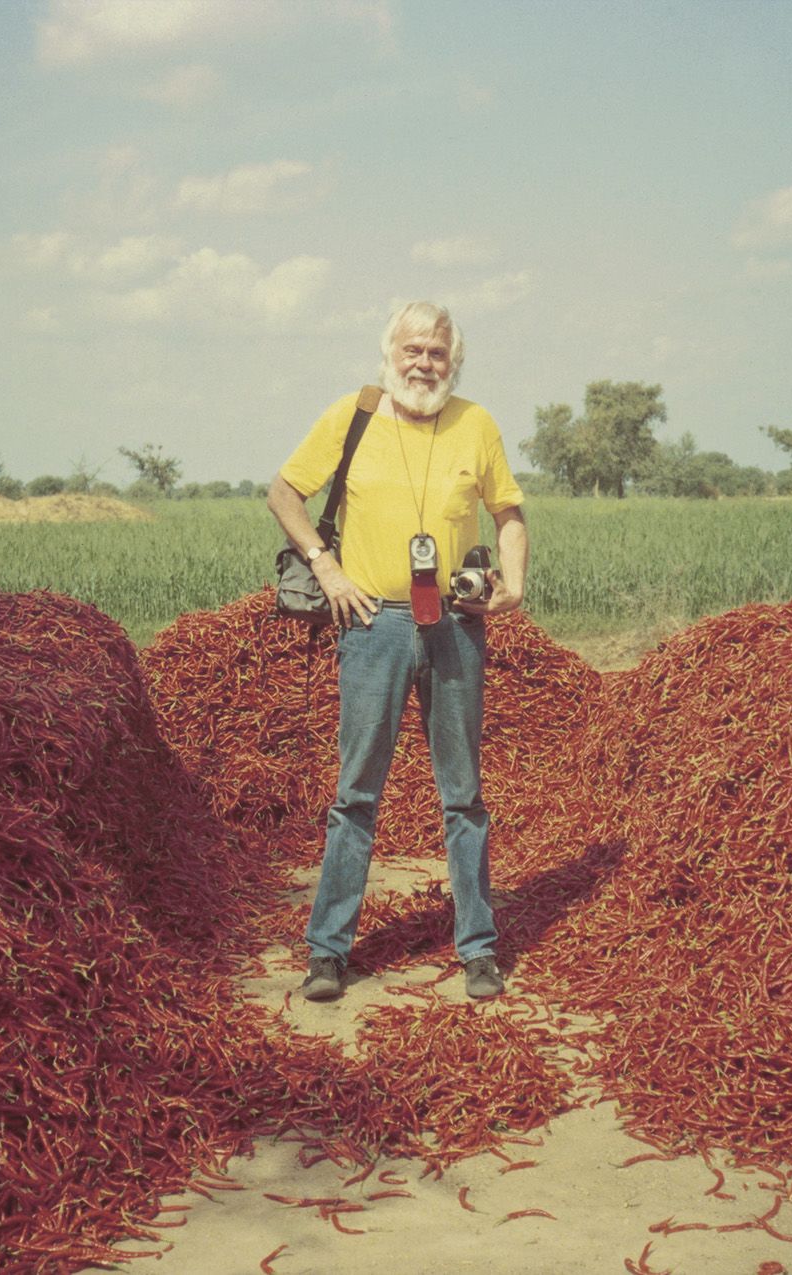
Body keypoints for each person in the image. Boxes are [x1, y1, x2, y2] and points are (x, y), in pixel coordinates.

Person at [266, 301, 530, 1002]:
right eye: (412, 350)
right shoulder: (351, 416)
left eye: (437, 353)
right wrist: (326, 567)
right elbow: (284, 493)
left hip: (454, 626)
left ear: (454, 362)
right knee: (356, 792)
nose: (424, 363)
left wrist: (512, 584)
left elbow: (508, 513)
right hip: (371, 624)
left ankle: (478, 948)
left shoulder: (476, 423)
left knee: (463, 794)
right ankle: (328, 952)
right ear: (389, 354)